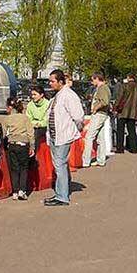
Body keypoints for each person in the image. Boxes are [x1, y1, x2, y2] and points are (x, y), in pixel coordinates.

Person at [44, 70, 84, 207]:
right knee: (60, 164)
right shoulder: (58, 95)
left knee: (59, 164)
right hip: (56, 135)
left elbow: (78, 116)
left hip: (63, 135)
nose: (50, 83)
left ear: (60, 82)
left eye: (52, 81)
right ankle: (62, 191)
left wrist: (74, 130)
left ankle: (62, 196)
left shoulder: (68, 95)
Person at [3, 97, 35, 201]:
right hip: (23, 145)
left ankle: (15, 192)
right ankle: (22, 190)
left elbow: (5, 134)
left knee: (14, 169)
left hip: (12, 145)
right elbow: (30, 133)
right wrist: (32, 146)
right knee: (24, 168)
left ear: (10, 107)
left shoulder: (7, 119)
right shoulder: (25, 118)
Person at [82, 72, 111, 168]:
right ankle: (101, 160)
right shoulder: (102, 88)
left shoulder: (102, 88)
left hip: (99, 114)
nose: (92, 82)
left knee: (89, 137)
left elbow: (105, 101)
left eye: (92, 79)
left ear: (97, 79)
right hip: (101, 114)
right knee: (100, 138)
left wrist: (95, 108)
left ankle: (86, 160)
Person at [114, 74, 137, 154]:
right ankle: (134, 148)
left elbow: (120, 97)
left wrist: (115, 107)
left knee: (120, 131)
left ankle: (120, 148)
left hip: (123, 111)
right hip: (133, 111)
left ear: (129, 78)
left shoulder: (124, 86)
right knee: (132, 130)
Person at [26, 85, 50, 153]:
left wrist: (39, 124)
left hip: (44, 127)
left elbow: (46, 119)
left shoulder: (47, 104)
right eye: (32, 95)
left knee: (35, 134)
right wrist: (34, 124)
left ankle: (34, 153)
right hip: (33, 126)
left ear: (41, 95)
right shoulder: (30, 105)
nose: (33, 96)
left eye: (35, 94)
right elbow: (28, 118)